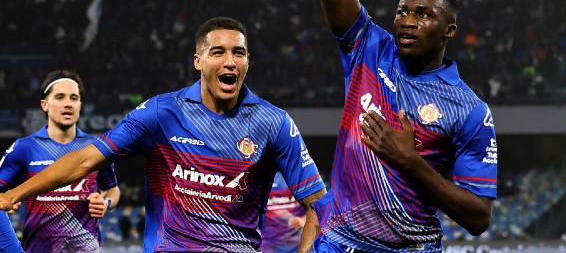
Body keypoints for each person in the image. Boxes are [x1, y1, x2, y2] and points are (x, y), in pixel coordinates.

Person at [0, 17, 326, 253]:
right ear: (198, 61)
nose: (230, 61)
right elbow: (84, 160)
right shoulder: (161, 113)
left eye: (238, 53)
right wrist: (16, 194)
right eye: (218, 52)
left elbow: (317, 204)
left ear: (247, 61)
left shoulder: (273, 122)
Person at [311, 0, 496, 252]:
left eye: (423, 15)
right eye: (402, 11)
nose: (407, 21)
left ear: (449, 31)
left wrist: (411, 162)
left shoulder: (469, 109)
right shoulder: (368, 49)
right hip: (339, 243)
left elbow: (479, 218)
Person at [0, 71, 119, 252]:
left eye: (74, 98)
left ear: (80, 105)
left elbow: (112, 189)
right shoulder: (24, 148)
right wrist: (8, 200)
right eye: (59, 97)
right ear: (44, 105)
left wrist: (106, 203)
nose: (68, 103)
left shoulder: (96, 148)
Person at [262, 172, 307, 253]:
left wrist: (304, 220)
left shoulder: (301, 176)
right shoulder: (257, 178)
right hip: (267, 245)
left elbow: (317, 208)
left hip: (298, 245)